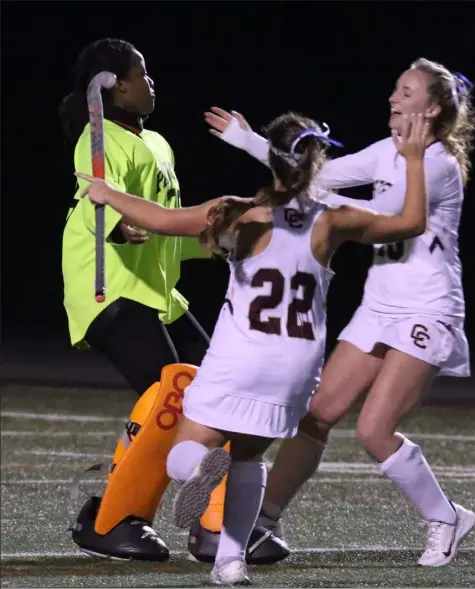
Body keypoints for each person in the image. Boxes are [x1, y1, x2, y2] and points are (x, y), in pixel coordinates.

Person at [77, 109, 430, 585]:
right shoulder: (335, 220)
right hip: (295, 365)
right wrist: (412, 159)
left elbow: (159, 219)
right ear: (315, 163)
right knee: (249, 459)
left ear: (272, 162)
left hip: (240, 358)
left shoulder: (237, 213)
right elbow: (412, 221)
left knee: (183, 456)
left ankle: (200, 465)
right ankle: (229, 562)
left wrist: (106, 194)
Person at [205, 58, 475, 567]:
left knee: (372, 431)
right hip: (378, 307)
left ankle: (445, 516)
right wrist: (251, 142)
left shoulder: (440, 163)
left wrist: (328, 212)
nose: (392, 98)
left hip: (427, 308)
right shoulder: (386, 152)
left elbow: (387, 218)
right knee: (315, 416)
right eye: (395, 89)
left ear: (431, 108)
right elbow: (316, 177)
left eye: (406, 92)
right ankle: (262, 521)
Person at [59, 37, 229, 563]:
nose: (150, 83)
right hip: (106, 285)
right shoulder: (99, 136)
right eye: (142, 74)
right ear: (114, 86)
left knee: (222, 393)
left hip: (156, 291)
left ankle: (215, 524)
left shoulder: (156, 144)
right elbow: (96, 195)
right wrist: (116, 225)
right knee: (171, 398)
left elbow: (166, 221)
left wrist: (217, 245)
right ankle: (110, 521)